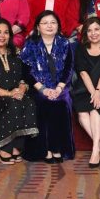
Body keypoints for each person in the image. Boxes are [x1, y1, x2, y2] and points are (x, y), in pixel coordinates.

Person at [0, 18, 38, 164]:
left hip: (16, 92)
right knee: (12, 103)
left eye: (6, 32)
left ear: (10, 35)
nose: (2, 36)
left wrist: (21, 89)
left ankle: (17, 146)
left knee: (29, 102)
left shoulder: (16, 53)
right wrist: (10, 93)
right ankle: (2, 148)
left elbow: (24, 76)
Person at [21, 11, 75, 163]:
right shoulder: (30, 44)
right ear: (38, 27)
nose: (49, 26)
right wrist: (43, 89)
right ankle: (45, 149)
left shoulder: (65, 43)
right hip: (38, 87)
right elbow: (26, 71)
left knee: (61, 102)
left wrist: (58, 89)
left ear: (58, 26)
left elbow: (69, 68)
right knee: (44, 102)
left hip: (60, 87)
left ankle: (58, 148)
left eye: (53, 22)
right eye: (45, 23)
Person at [73, 17, 100, 167]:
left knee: (94, 109)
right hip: (84, 87)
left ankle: (94, 150)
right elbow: (83, 72)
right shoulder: (80, 48)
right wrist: (93, 92)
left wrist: (98, 91)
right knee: (82, 113)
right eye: (89, 30)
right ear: (85, 33)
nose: (93, 33)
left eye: (97, 29)